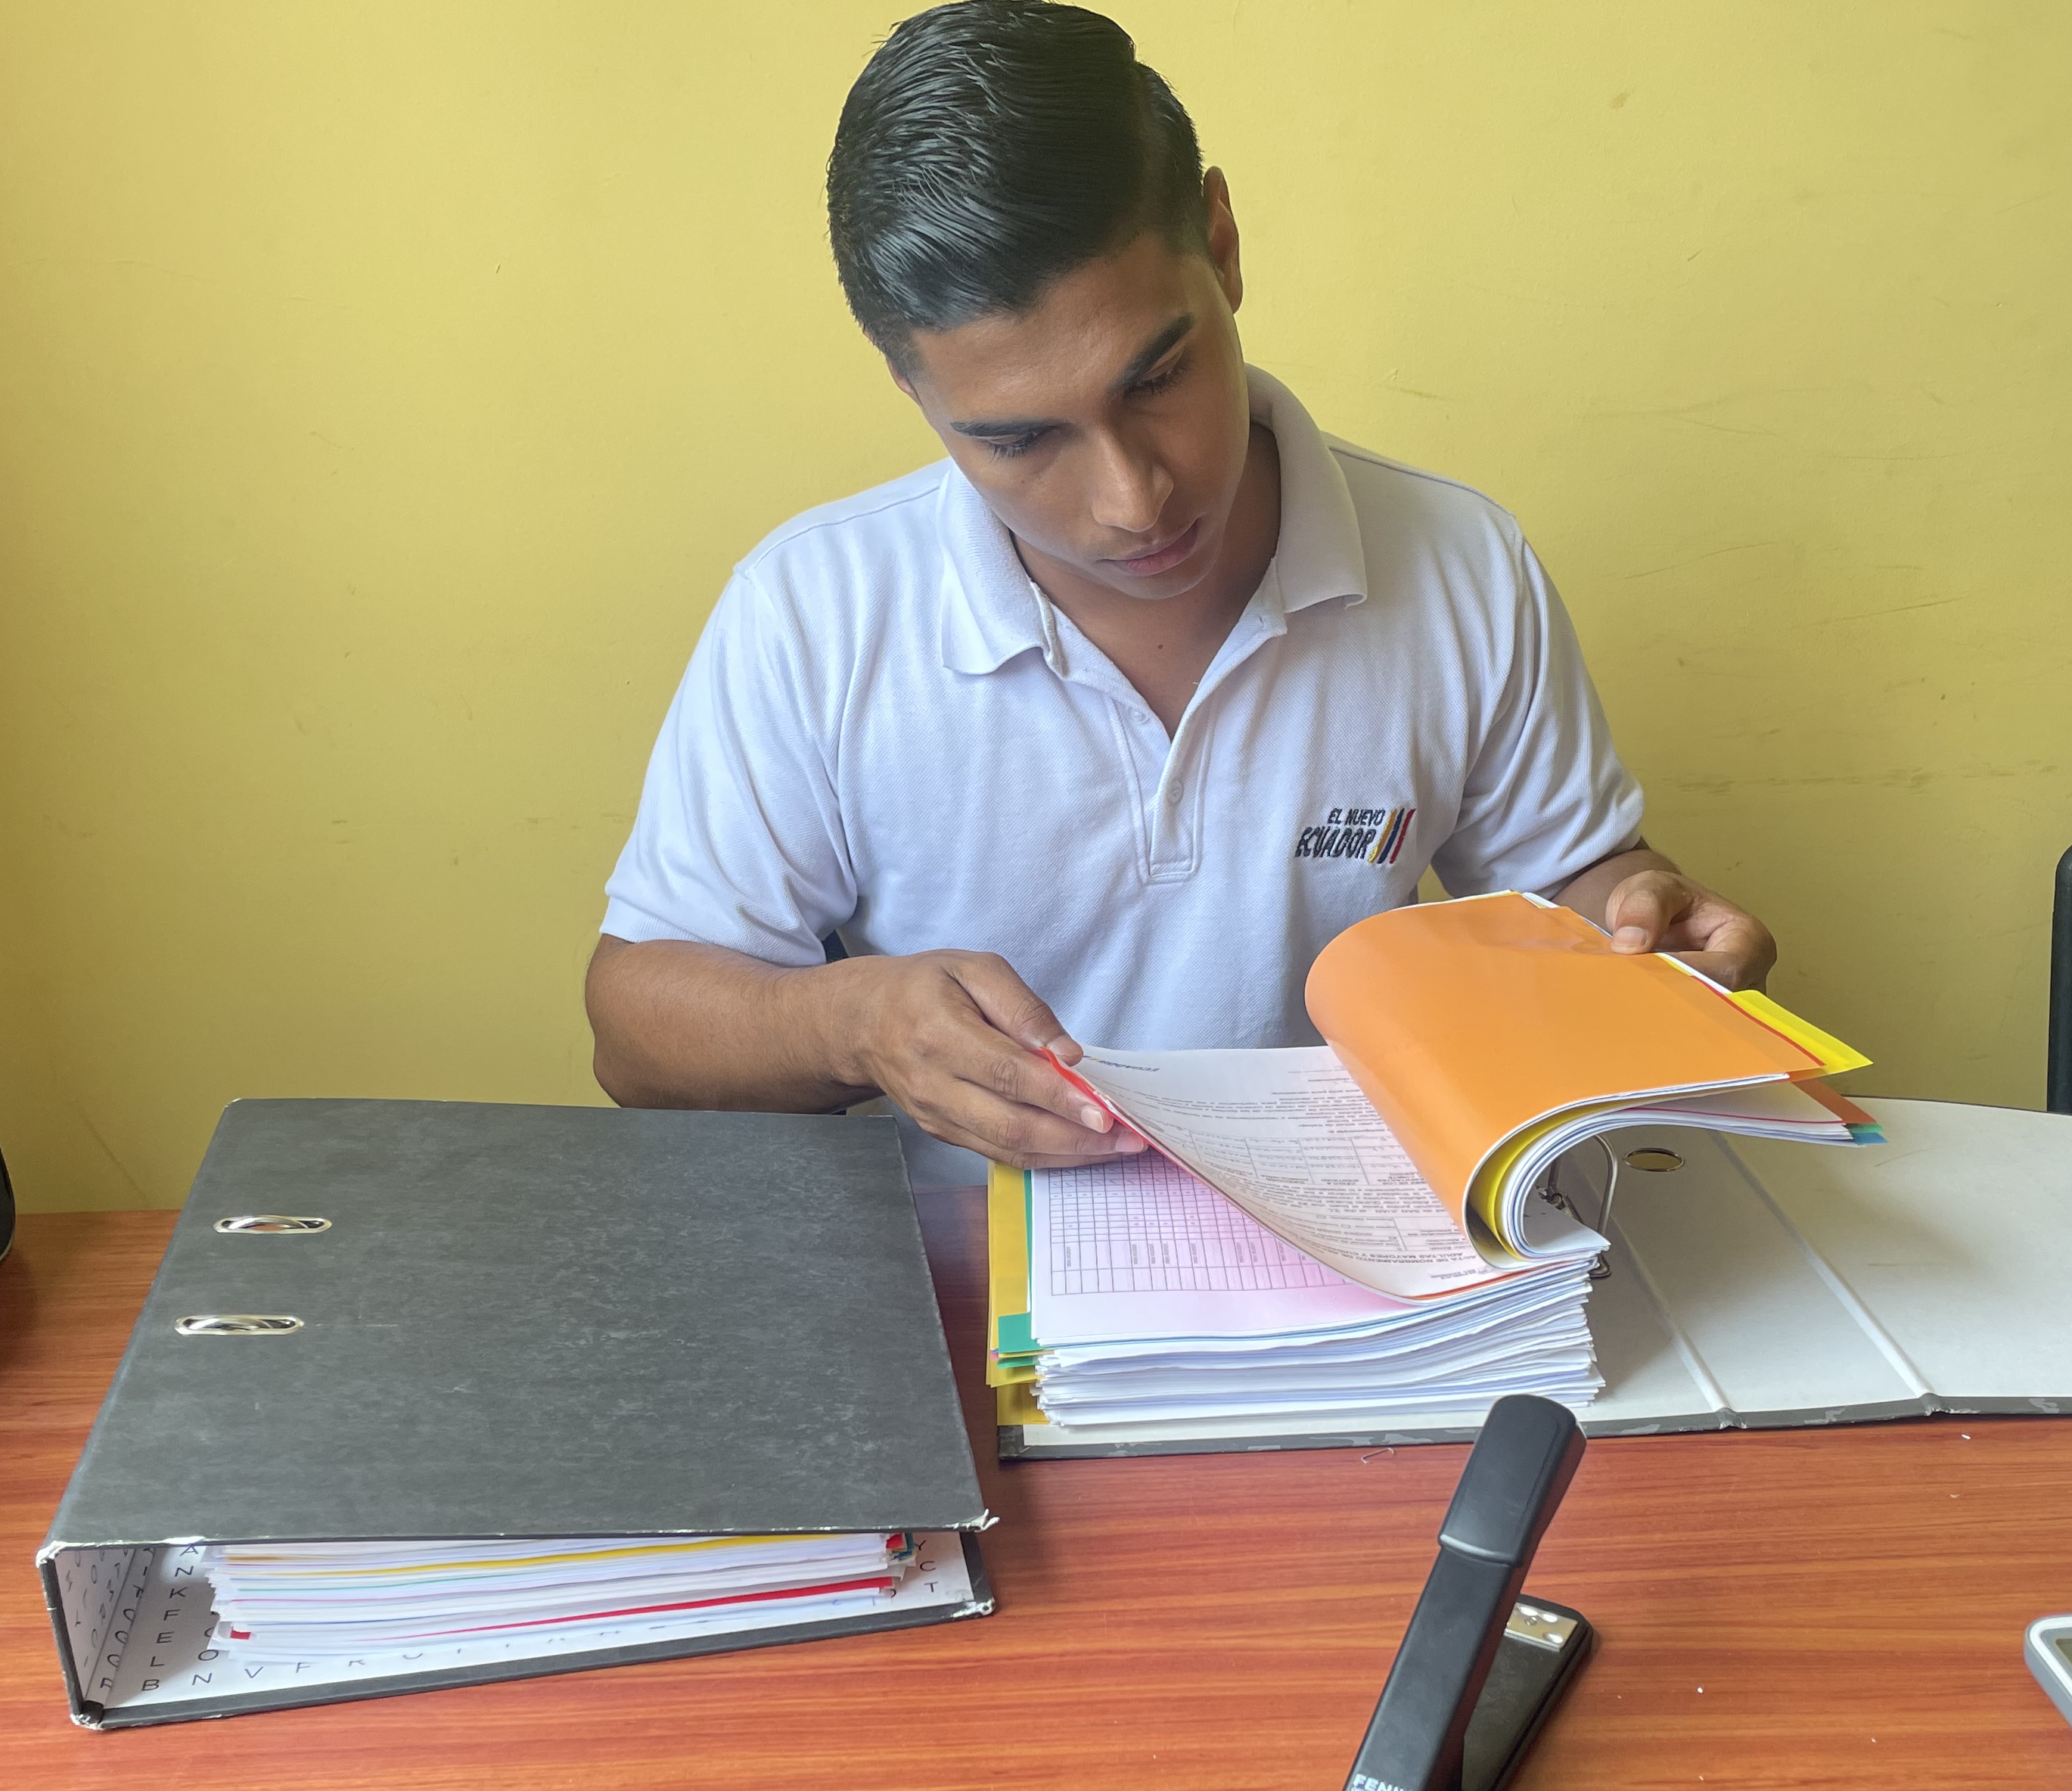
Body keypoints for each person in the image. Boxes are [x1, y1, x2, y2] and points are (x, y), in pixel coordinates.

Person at [588, 0, 1775, 1179]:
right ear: (914, 389)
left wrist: (1645, 928)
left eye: (1157, 379)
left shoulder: (1463, 562)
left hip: (1358, 1246)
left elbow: (1569, 888)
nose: (1132, 499)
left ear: (1223, 244)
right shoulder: (813, 611)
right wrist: (853, 1024)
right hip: (962, 1269)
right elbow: (633, 1036)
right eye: (1018, 440)